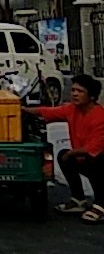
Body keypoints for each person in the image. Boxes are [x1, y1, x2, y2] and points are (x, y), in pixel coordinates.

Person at [25, 73, 104, 220]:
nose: (74, 94)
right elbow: (46, 111)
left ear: (92, 97)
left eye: (80, 91)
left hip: (98, 158)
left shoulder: (99, 117)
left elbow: (94, 148)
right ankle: (78, 200)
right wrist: (23, 110)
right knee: (64, 155)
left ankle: (101, 206)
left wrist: (71, 153)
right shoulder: (72, 109)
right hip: (83, 156)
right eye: (73, 90)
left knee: (94, 162)